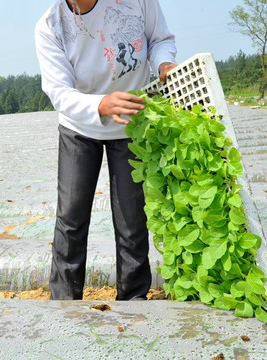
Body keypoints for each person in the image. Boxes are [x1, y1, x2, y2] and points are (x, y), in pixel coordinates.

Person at [35, 0, 177, 300]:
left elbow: (159, 39)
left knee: (132, 219)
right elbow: (59, 92)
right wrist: (99, 104)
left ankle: (134, 300)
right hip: (80, 125)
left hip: (131, 123)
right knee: (71, 218)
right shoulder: (50, 26)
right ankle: (64, 303)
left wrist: (164, 62)